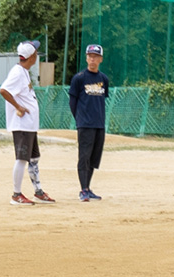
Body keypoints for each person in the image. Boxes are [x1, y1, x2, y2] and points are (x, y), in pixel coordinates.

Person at [0, 40, 55, 206]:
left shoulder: (23, 71)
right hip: (22, 125)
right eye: (36, 52)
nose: (37, 55)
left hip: (29, 125)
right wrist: (18, 107)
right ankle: (16, 194)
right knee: (22, 159)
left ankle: (38, 191)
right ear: (32, 56)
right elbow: (3, 90)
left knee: (34, 158)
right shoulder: (17, 72)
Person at [69, 44, 109, 202]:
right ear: (86, 58)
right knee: (84, 156)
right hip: (85, 124)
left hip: (99, 124)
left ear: (100, 59)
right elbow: (73, 102)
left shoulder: (103, 79)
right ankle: (83, 189)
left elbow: (101, 101)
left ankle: (88, 187)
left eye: (95, 56)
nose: (92, 59)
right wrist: (79, 119)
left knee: (94, 157)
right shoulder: (79, 78)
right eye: (90, 56)